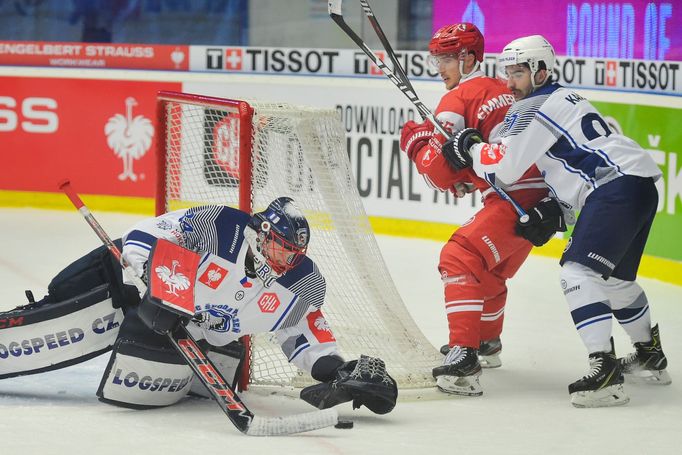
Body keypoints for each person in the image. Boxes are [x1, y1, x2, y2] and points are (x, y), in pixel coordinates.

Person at [0, 198, 397, 414]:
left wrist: (338, 369)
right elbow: (148, 235)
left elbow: (301, 336)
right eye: (281, 246)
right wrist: (154, 282)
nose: (286, 258)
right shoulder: (221, 226)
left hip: (180, 331)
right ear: (263, 233)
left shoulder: (302, 282)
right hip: (139, 287)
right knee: (65, 287)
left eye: (295, 252)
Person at [442, 34, 671, 407]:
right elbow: (566, 166)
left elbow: (509, 168)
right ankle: (649, 356)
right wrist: (557, 211)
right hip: (637, 183)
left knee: (577, 274)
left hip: (613, 187)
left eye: (518, 73)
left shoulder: (535, 105)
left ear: (541, 71)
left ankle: (605, 372)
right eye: (508, 72)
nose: (510, 82)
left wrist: (470, 147)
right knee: (615, 281)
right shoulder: (564, 98)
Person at [398, 23, 551, 396]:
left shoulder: (458, 99)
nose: (439, 67)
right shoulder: (506, 88)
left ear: (468, 57)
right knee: (491, 271)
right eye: (436, 58)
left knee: (459, 256)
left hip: (513, 200)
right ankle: (486, 342)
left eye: (446, 58)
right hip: (543, 200)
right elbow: (478, 159)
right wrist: (466, 173)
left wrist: (415, 142)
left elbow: (438, 175)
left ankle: (464, 358)